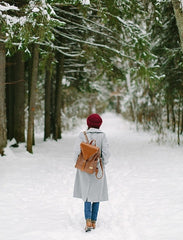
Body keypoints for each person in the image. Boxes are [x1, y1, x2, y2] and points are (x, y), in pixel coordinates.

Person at [73, 113, 110, 232]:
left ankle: (87, 220)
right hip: (97, 168)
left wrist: (81, 164)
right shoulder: (103, 136)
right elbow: (106, 154)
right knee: (97, 194)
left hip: (84, 168)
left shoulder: (82, 135)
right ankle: (94, 221)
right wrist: (101, 163)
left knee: (87, 195)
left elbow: (76, 152)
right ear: (100, 124)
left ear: (88, 123)